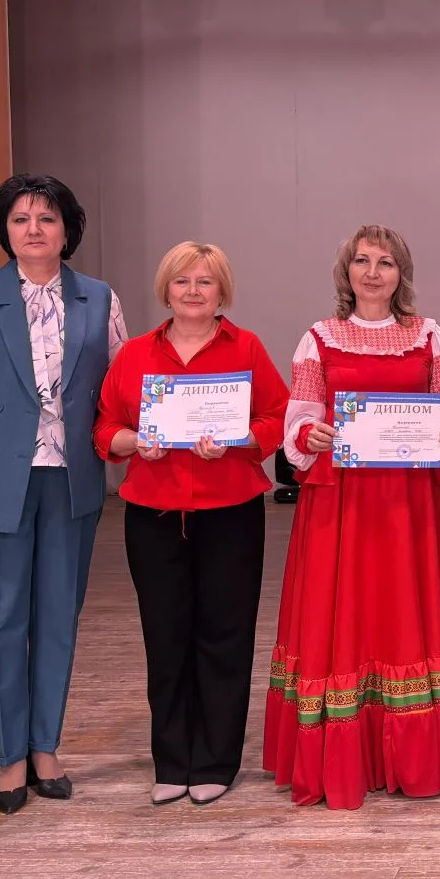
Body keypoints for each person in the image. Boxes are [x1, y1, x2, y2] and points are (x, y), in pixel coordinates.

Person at [262, 225, 440, 809]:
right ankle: (343, 755)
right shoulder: (318, 339)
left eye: (385, 262)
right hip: (342, 500)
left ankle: (411, 754)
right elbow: (299, 423)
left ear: (401, 273)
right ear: (346, 272)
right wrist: (311, 434)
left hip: (410, 500)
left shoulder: (428, 335)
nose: (373, 273)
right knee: (343, 613)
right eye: (362, 261)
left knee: (403, 610)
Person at [93, 242, 289, 806]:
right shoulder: (135, 354)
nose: (193, 291)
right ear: (166, 289)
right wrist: (134, 442)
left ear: (221, 291)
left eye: (206, 281)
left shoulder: (246, 347)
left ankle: (216, 761)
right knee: (165, 636)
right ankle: (172, 760)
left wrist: (237, 439)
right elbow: (105, 427)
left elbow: (277, 416)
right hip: (153, 515)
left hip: (230, 513)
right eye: (182, 281)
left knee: (225, 636)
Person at [0, 174, 127, 814]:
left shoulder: (99, 298)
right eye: (20, 219)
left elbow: (119, 389)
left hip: (70, 475)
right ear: (4, 230)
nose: (34, 229)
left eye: (47, 218)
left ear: (67, 229)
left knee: (59, 614)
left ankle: (44, 747)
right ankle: (8, 754)